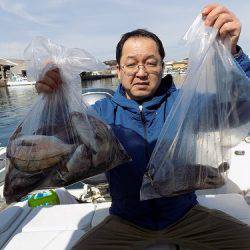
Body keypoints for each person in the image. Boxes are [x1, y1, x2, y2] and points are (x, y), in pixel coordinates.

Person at [36, 3, 250, 249]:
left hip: (186, 216)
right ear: (118, 70)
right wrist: (52, 100)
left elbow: (242, 108)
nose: (141, 72)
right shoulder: (101, 114)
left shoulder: (186, 106)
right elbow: (52, 142)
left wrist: (232, 53)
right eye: (131, 64)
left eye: (151, 62)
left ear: (162, 67)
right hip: (126, 222)